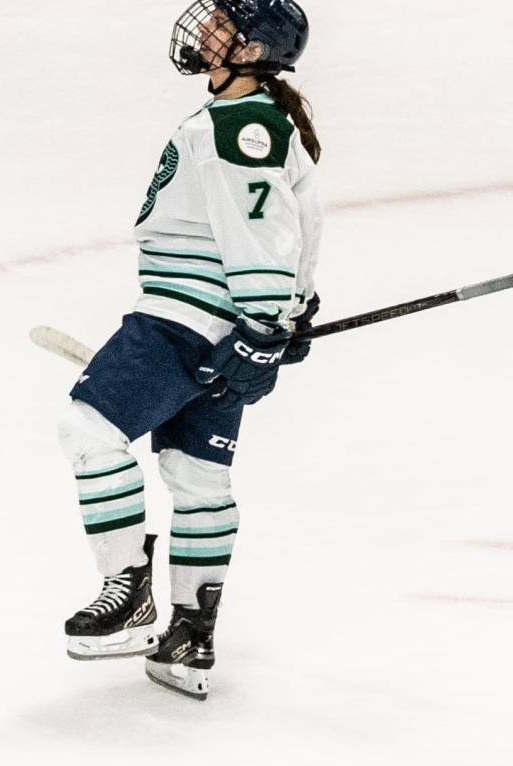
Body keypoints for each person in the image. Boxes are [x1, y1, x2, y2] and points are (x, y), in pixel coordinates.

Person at [58, 0, 323, 700]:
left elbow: (261, 233)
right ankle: (189, 638)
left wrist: (265, 325)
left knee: (88, 429)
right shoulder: (260, 120)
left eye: (224, 24)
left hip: (182, 318)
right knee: (196, 476)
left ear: (252, 50)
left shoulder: (239, 126)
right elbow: (299, 228)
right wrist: (287, 317)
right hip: (226, 326)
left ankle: (127, 592)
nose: (204, 27)